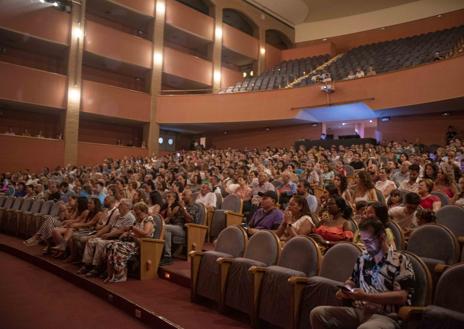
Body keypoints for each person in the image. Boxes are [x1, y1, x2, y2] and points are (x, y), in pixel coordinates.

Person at [310, 219, 415, 329]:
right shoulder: (363, 258)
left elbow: (401, 296)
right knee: (318, 313)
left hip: (385, 316)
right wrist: (346, 288)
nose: (365, 245)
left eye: (369, 241)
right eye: (363, 241)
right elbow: (352, 280)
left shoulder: (400, 260)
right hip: (359, 311)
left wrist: (366, 296)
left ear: (382, 237)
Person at [78, 199, 135, 277]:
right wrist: (96, 235)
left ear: (127, 207)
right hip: (109, 236)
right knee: (91, 241)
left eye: (121, 205)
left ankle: (97, 267)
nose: (118, 206)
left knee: (100, 243)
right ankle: (87, 265)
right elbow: (108, 227)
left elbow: (122, 230)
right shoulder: (117, 215)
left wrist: (108, 235)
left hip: (116, 238)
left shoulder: (130, 217)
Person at [105, 202, 155, 283]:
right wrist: (127, 233)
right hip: (133, 242)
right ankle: (111, 273)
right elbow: (132, 231)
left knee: (117, 247)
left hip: (142, 244)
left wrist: (133, 229)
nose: (136, 214)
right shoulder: (138, 220)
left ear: (144, 211)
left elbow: (145, 233)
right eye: (135, 213)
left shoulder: (149, 219)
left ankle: (121, 274)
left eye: (138, 212)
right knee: (111, 245)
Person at [160, 190, 202, 265]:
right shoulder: (180, 206)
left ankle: (167, 256)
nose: (182, 197)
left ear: (191, 196)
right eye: (182, 195)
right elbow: (171, 219)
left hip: (186, 229)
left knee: (166, 228)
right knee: (164, 227)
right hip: (176, 227)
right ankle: (163, 254)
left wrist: (183, 208)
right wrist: (172, 212)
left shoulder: (195, 206)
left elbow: (191, 220)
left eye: (184, 195)